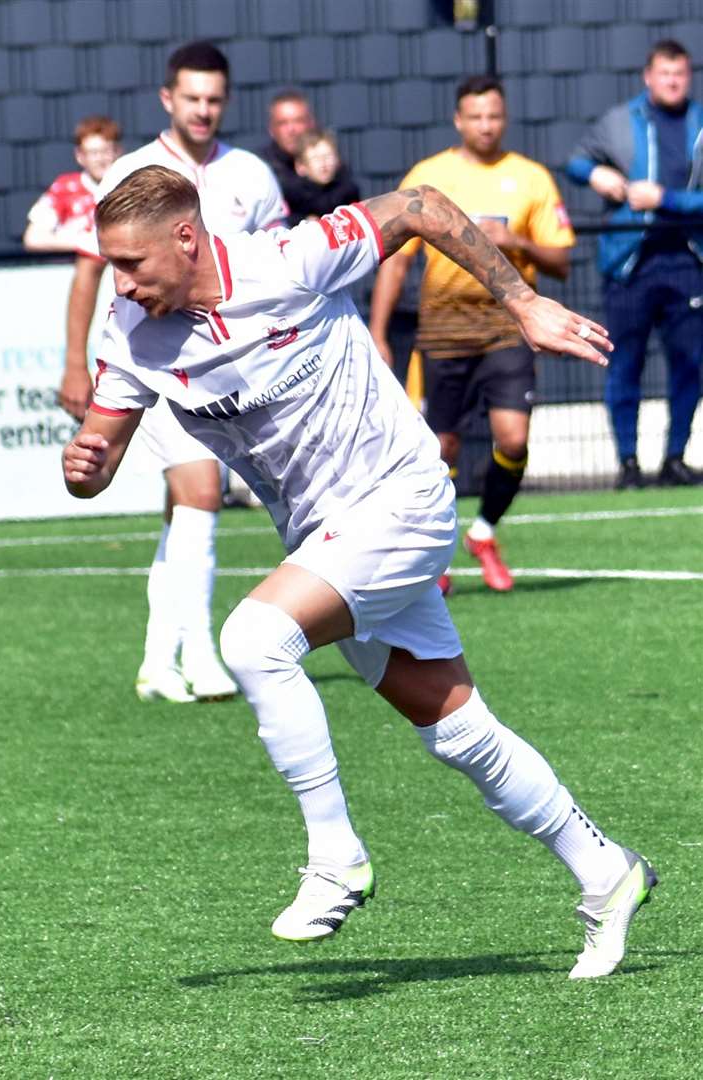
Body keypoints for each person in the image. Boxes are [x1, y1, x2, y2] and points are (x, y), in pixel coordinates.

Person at [63, 165, 655, 978]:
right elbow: (94, 464)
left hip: (401, 501)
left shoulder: (290, 261)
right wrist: (84, 464)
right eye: (112, 267)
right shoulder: (130, 334)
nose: (119, 284)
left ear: (187, 237)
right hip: (328, 539)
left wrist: (522, 304)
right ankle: (606, 872)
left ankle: (336, 856)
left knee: (254, 638)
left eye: (131, 264)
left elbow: (422, 208)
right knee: (458, 733)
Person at [60, 40, 286, 705]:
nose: (204, 110)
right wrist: (77, 363)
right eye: (192, 98)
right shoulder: (132, 171)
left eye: (214, 99)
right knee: (200, 490)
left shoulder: (252, 175)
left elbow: (272, 267)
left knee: (183, 509)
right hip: (152, 360)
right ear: (168, 99)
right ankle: (204, 652)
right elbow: (87, 273)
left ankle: (160, 659)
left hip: (226, 367)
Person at [368, 75, 575, 594]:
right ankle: (438, 557)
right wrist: (378, 329)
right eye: (475, 116)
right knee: (441, 448)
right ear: (459, 120)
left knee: (514, 438)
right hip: (442, 332)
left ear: (504, 118)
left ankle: (483, 534)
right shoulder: (429, 175)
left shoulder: (531, 178)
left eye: (494, 116)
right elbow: (395, 262)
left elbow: (563, 261)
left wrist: (518, 240)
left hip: (507, 328)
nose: (486, 125)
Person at [566, 38, 703, 489]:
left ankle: (676, 458)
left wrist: (668, 199)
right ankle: (627, 463)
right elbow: (576, 162)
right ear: (649, 76)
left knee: (689, 364)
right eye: (665, 73)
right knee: (624, 362)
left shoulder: (699, 123)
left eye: (679, 74)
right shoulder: (620, 120)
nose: (672, 81)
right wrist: (596, 174)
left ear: (688, 77)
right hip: (629, 261)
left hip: (687, 259)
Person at [258, 89, 361, 223]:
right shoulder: (262, 169)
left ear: (311, 123)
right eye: (283, 123)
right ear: (271, 129)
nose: (291, 130)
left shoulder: (335, 166)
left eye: (298, 121)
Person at [23, 116, 122, 253]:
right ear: (80, 156)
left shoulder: (130, 188)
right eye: (93, 153)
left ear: (118, 151)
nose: (100, 159)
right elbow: (33, 238)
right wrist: (85, 243)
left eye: (106, 151)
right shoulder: (65, 188)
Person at [290, 130, 353, 220]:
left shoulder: (348, 190)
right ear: (300, 166)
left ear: (337, 160)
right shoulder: (293, 196)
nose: (323, 163)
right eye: (315, 158)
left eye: (328, 156)